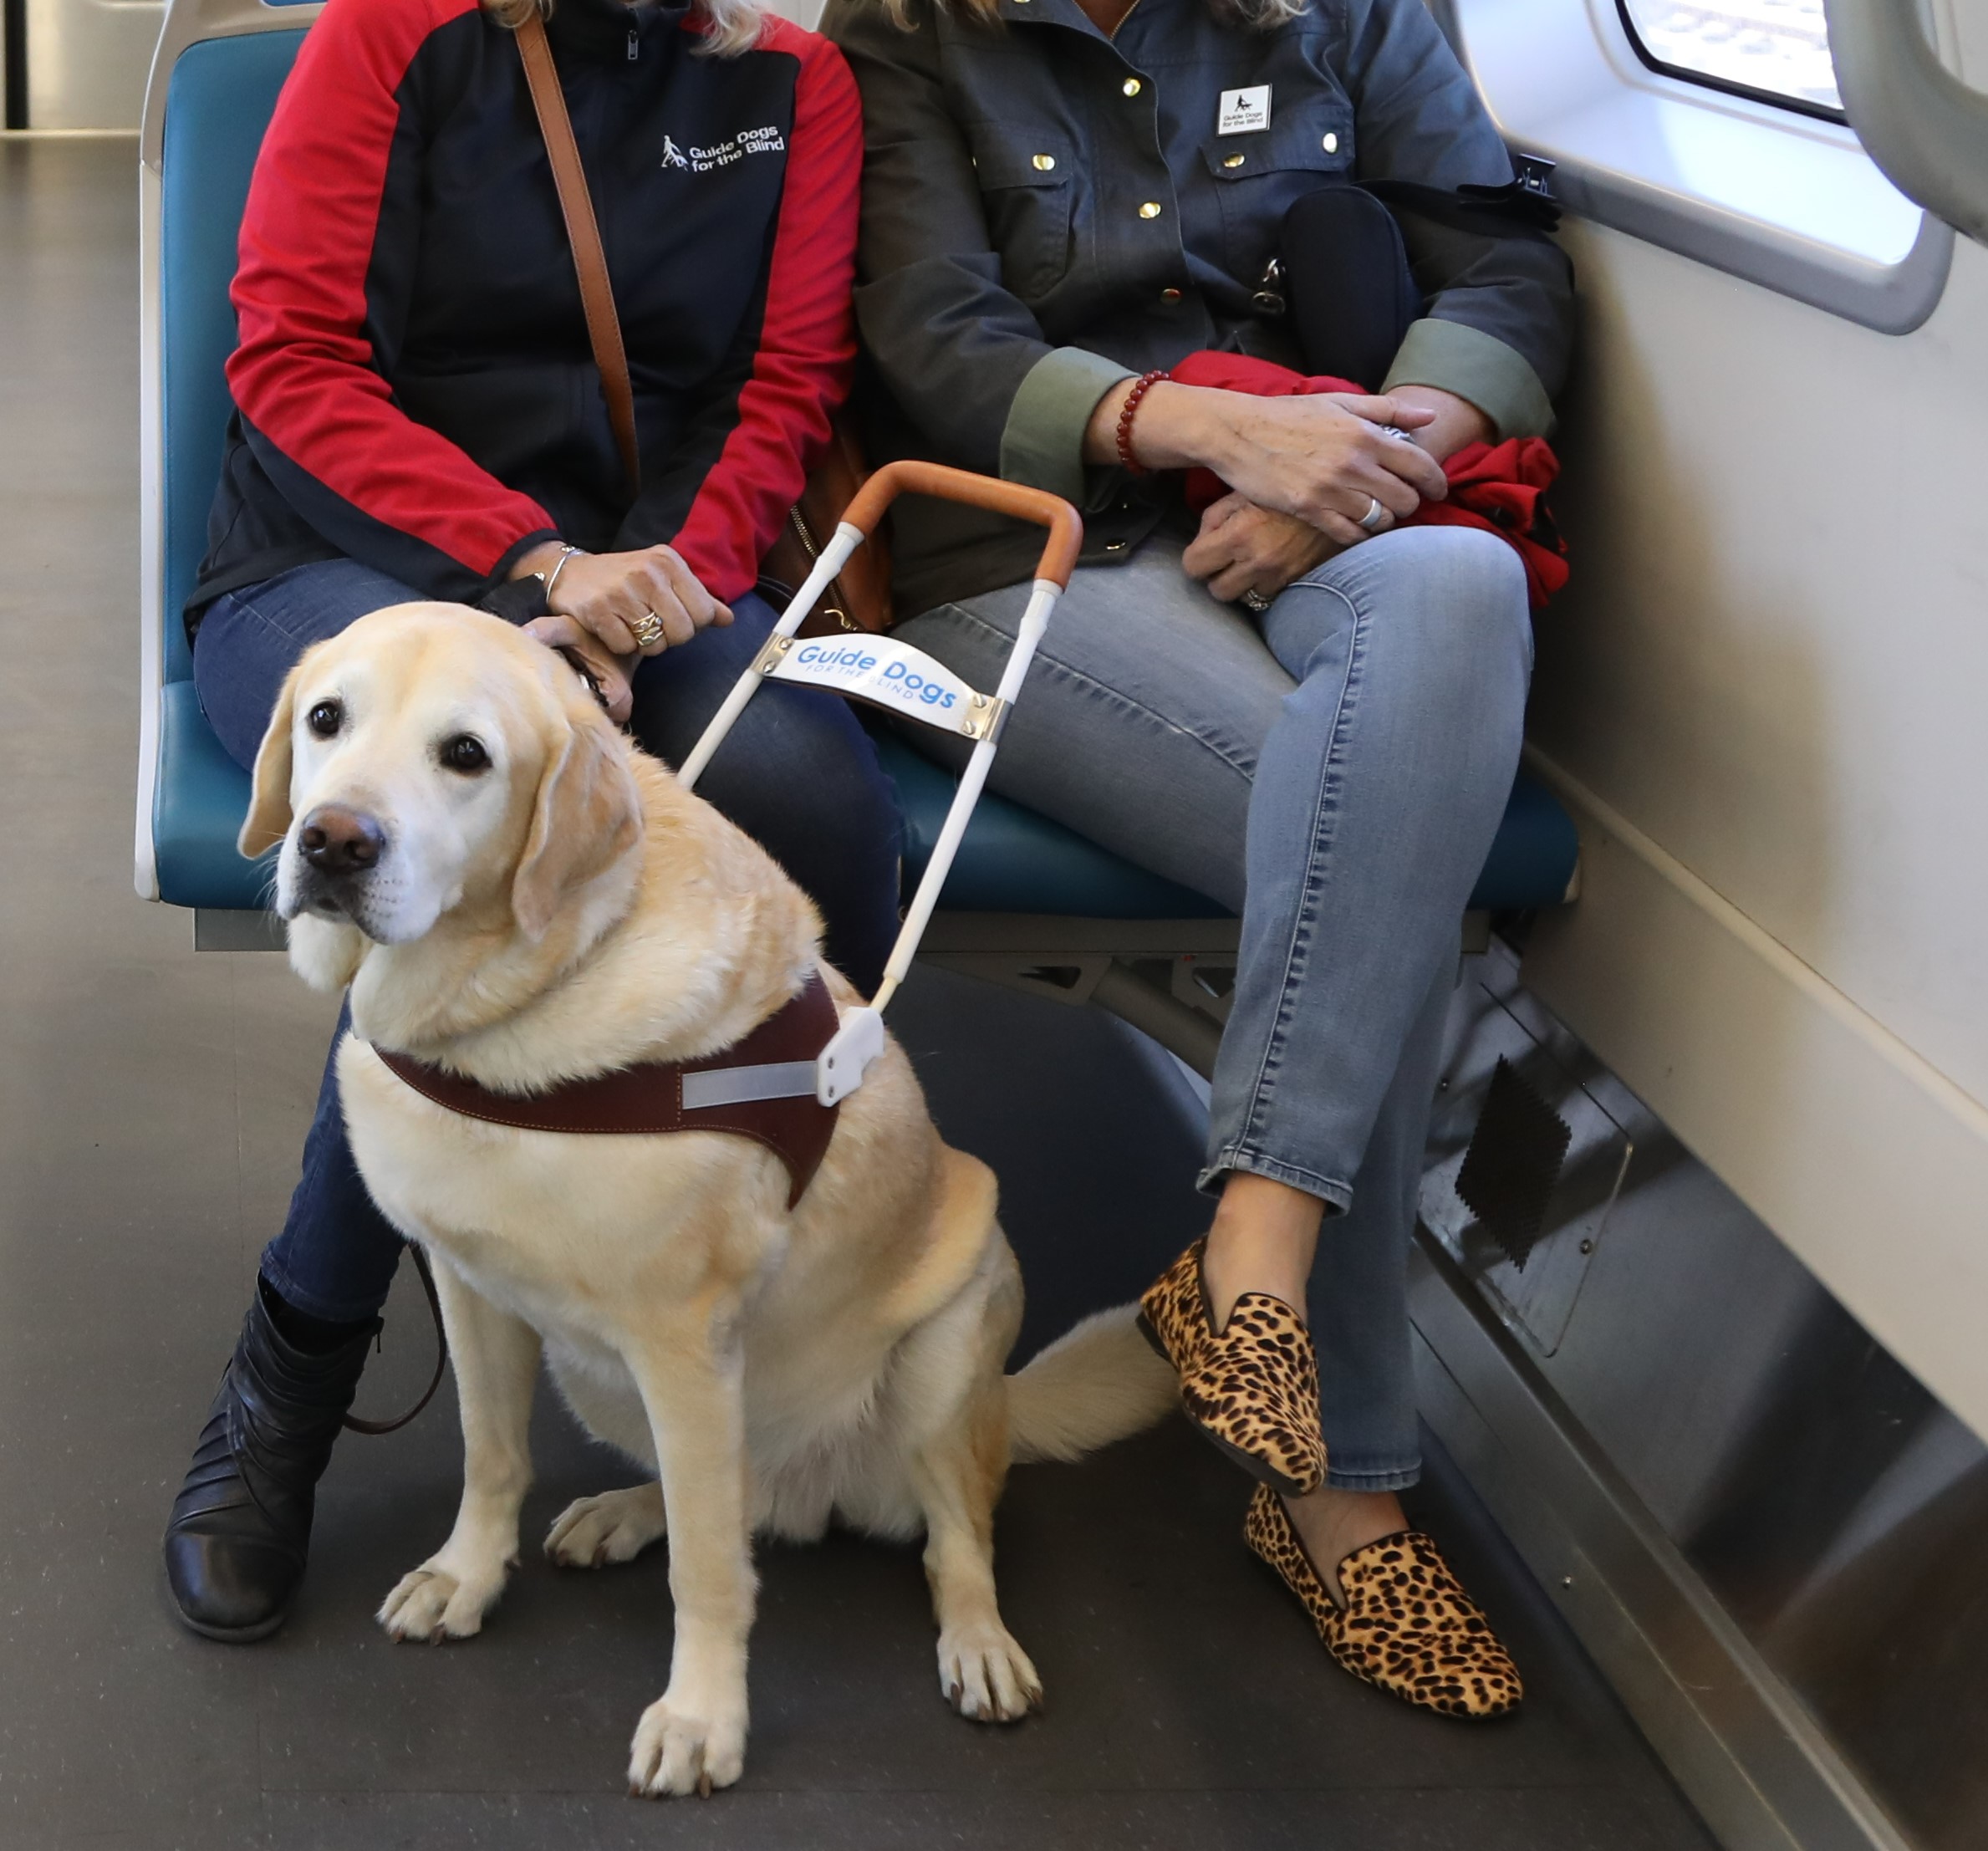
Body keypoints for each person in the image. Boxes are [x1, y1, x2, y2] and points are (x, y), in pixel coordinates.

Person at [824, 0, 1573, 1716]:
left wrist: (1374, 458)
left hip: (1334, 504)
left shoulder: (1349, 15)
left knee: (1455, 595)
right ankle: (1341, 1489)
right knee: (1372, 839)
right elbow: (933, 338)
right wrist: (1211, 429)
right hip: (1039, 555)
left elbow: (1504, 265)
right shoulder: (903, 39)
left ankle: (1249, 1251)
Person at [162, 0, 903, 1641]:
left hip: (646, 576)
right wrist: (527, 582)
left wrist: (640, 598)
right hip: (341, 563)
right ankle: (294, 1360)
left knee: (810, 797)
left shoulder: (799, 78)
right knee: (436, 856)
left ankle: (717, 1285)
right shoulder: (397, 32)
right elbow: (290, 359)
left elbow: (782, 388)